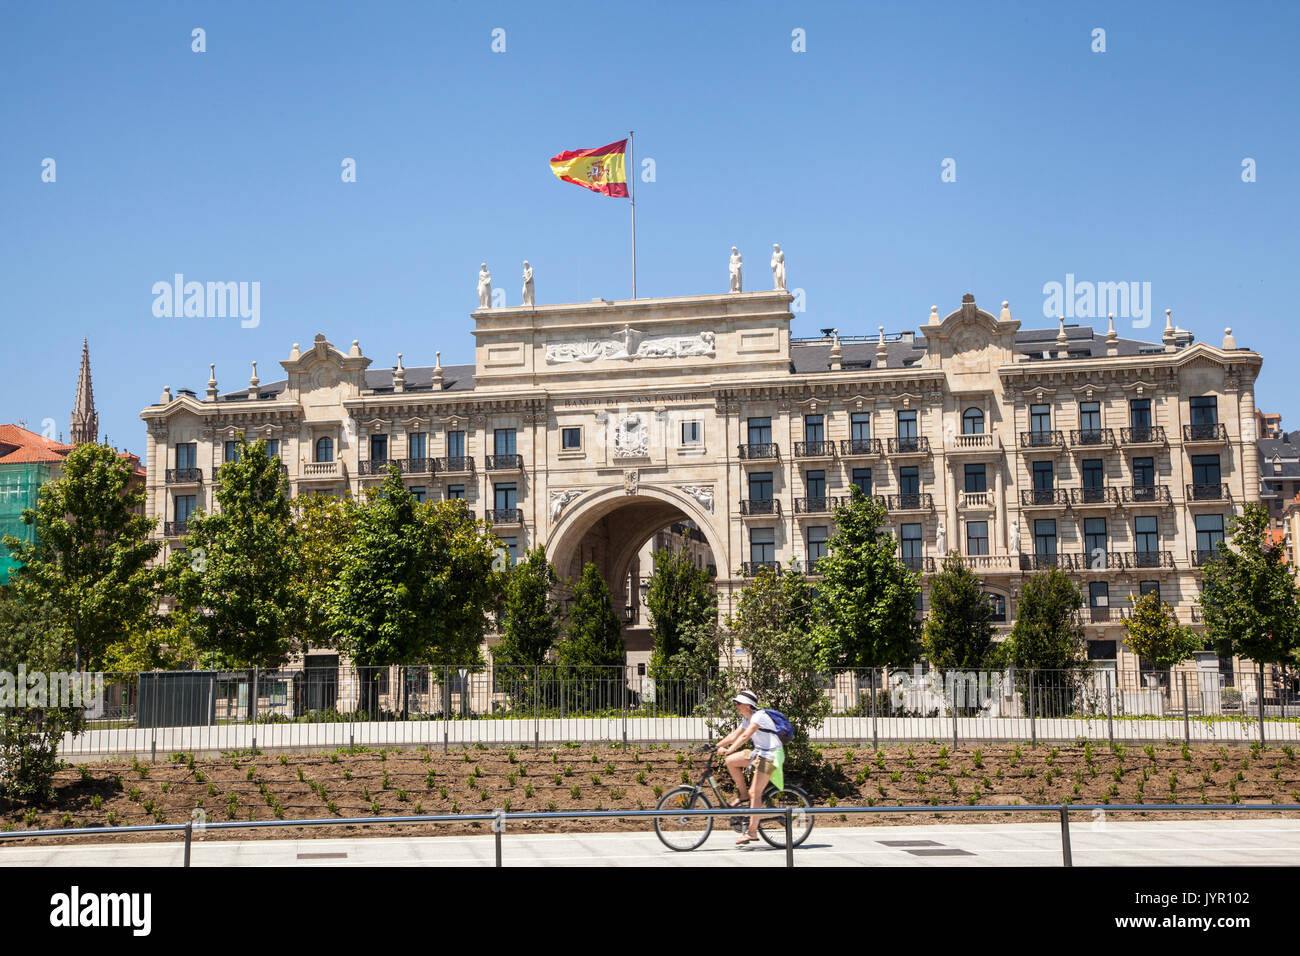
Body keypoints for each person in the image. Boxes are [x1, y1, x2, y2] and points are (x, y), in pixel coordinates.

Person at [716, 690, 784, 845]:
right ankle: (743, 795)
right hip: (759, 753)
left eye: (738, 703)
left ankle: (752, 832)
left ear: (747, 705)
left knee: (756, 792)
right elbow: (734, 735)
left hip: (771, 755)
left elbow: (745, 736)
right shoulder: (747, 719)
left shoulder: (759, 716)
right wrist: (715, 746)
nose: (736, 706)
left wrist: (729, 749)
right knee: (731, 761)